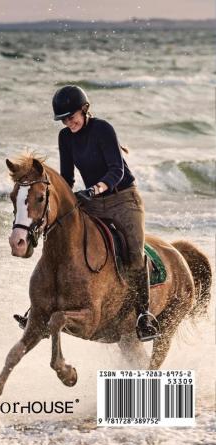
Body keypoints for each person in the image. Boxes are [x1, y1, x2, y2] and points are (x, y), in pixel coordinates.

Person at [52, 84, 160, 342]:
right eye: (64, 119)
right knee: (63, 239)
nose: (69, 122)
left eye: (72, 116)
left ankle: (144, 316)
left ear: (84, 110)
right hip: (92, 199)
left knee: (134, 255)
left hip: (123, 199)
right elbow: (66, 177)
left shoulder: (102, 129)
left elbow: (116, 170)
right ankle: (42, 304)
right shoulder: (65, 137)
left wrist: (95, 188)